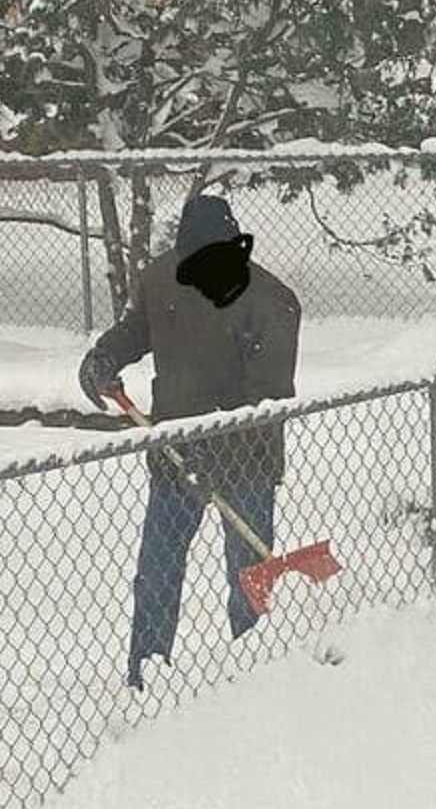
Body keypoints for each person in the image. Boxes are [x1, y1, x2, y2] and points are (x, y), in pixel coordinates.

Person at [78, 194, 301, 691]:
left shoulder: (271, 300)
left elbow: (269, 396)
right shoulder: (162, 278)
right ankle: (147, 678)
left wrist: (216, 445)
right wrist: (103, 359)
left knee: (249, 578)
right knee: (155, 576)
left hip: (246, 463)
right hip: (175, 458)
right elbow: (136, 329)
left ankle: (259, 678)